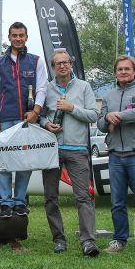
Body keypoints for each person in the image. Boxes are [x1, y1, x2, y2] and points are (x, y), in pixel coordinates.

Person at [39, 50, 100, 256]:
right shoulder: (46, 88)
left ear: (71, 64)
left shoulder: (84, 87)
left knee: (83, 197)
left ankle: (88, 241)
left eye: (66, 62)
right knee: (50, 197)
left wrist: (72, 107)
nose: (62, 66)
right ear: (53, 67)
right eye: (58, 63)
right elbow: (39, 116)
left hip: (77, 149)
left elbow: (93, 114)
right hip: (52, 149)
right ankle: (59, 239)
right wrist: (47, 124)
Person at [97, 55, 135, 258]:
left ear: (134, 72)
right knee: (117, 202)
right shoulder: (109, 94)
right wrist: (106, 117)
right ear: (115, 73)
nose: (123, 72)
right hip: (116, 156)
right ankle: (119, 239)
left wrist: (119, 115)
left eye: (127, 69)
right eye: (120, 69)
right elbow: (100, 123)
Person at [0, 22, 48, 217]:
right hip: (5, 119)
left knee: (24, 161)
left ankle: (20, 200)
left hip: (27, 119)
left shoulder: (36, 61)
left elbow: (41, 88)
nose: (18, 38)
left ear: (26, 37)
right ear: (9, 37)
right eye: (14, 35)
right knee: (4, 162)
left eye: (21, 35)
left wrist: (36, 112)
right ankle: (5, 202)